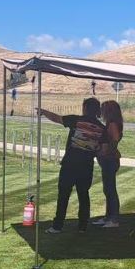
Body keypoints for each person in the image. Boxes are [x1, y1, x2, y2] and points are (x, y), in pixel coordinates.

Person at [39, 98, 105, 234]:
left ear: (85, 108)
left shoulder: (76, 120)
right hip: (87, 165)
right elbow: (101, 150)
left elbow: (57, 118)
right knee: (83, 195)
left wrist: (43, 111)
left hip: (70, 163)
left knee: (63, 195)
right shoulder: (102, 128)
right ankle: (82, 226)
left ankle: (57, 226)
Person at [91, 99, 123, 228]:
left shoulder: (112, 124)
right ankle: (108, 216)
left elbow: (114, 140)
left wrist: (107, 152)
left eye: (103, 109)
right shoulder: (112, 123)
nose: (101, 112)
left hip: (109, 160)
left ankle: (114, 219)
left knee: (110, 189)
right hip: (108, 160)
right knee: (107, 189)